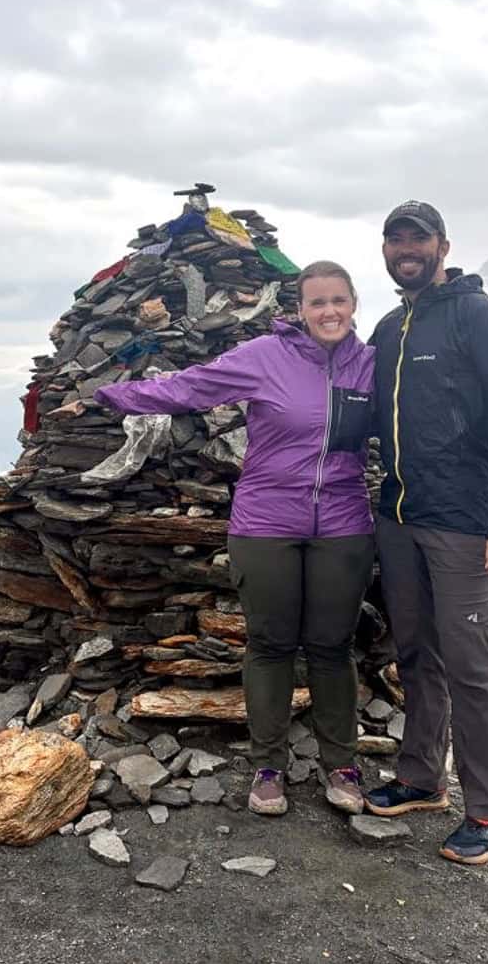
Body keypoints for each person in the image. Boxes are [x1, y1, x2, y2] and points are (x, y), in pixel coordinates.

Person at [57, 262, 376, 818]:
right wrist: (107, 397)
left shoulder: (373, 366)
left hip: (344, 524)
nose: (329, 312)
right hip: (266, 524)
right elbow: (188, 388)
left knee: (331, 648)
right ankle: (268, 767)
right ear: (297, 309)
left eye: (339, 301)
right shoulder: (263, 357)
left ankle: (342, 766)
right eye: (317, 302)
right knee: (272, 645)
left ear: (354, 305)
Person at [365, 201, 488, 866]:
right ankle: (420, 778)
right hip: (400, 520)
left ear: (442, 246)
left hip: (467, 526)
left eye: (418, 238)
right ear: (385, 249)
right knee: (417, 656)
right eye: (395, 239)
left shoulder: (481, 318)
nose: (406, 249)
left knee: (471, 667)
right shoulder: (389, 327)